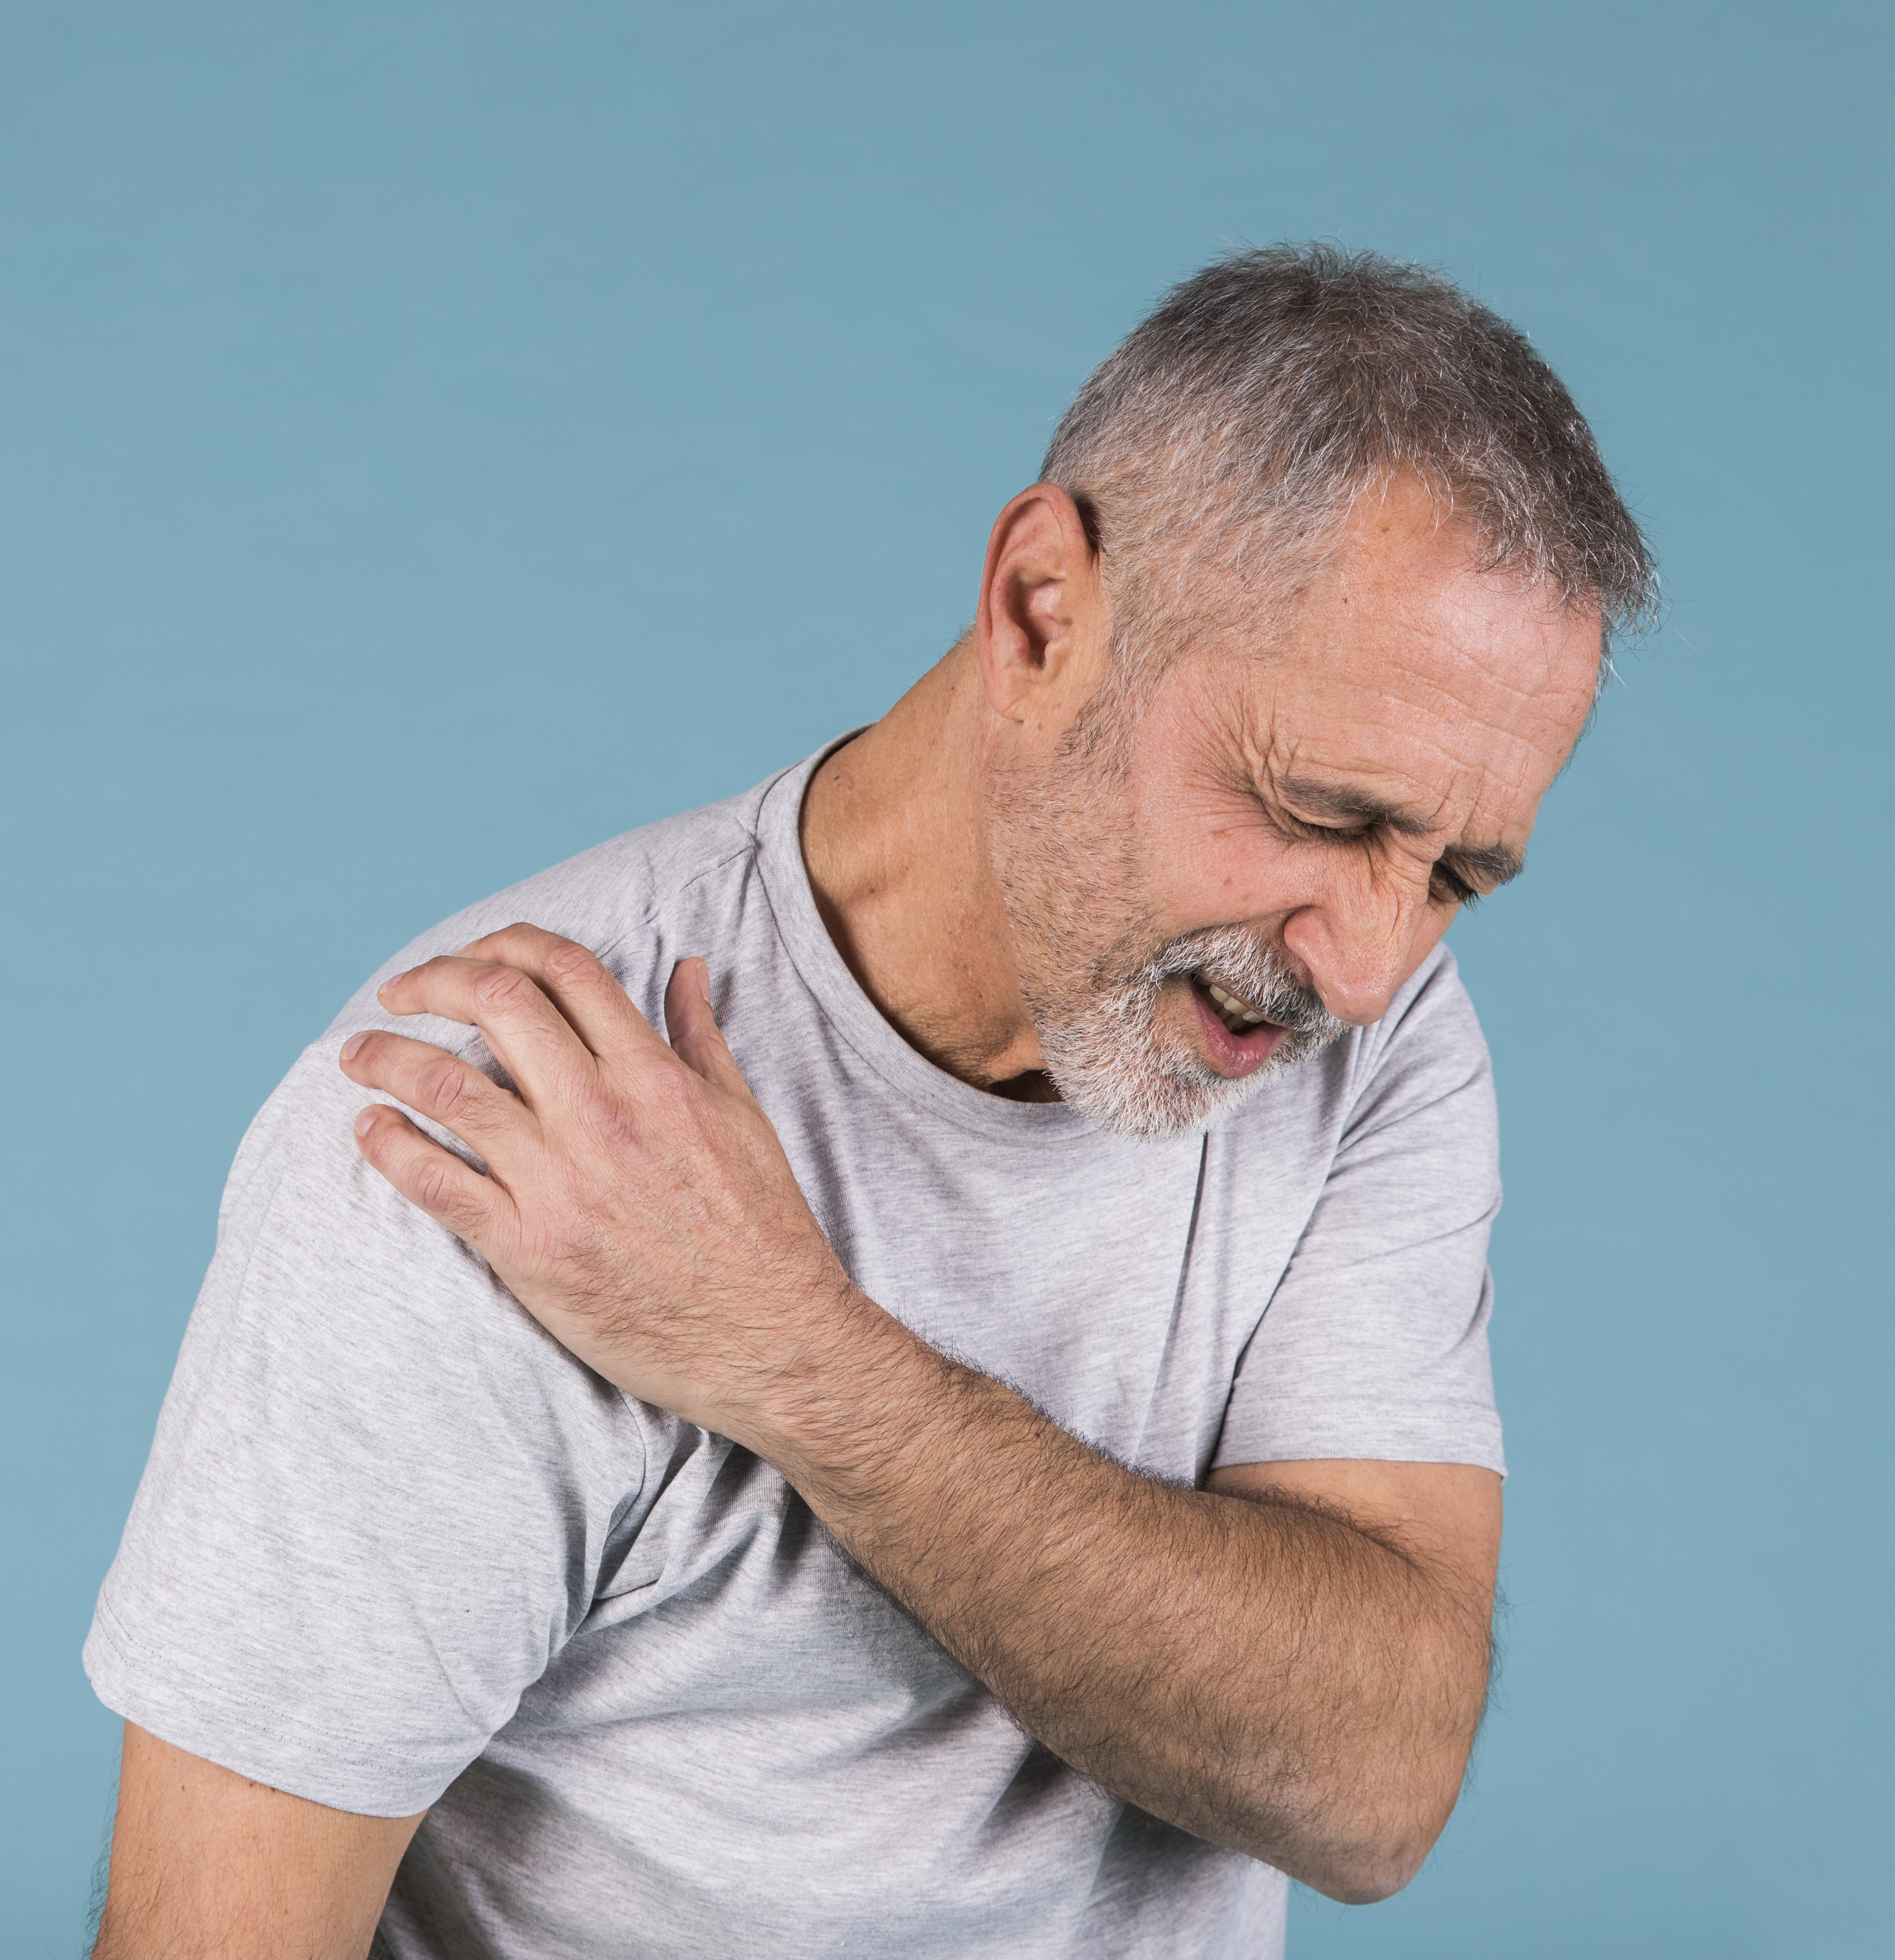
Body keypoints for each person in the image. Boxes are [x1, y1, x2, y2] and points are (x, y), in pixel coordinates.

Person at [81, 244, 1654, 1959]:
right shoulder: (491, 1134)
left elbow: (1373, 1781)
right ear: (1045, 613)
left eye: (1460, 877)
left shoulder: (1373, 1036)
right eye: (1330, 813)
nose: (1367, 961)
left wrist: (795, 1356)